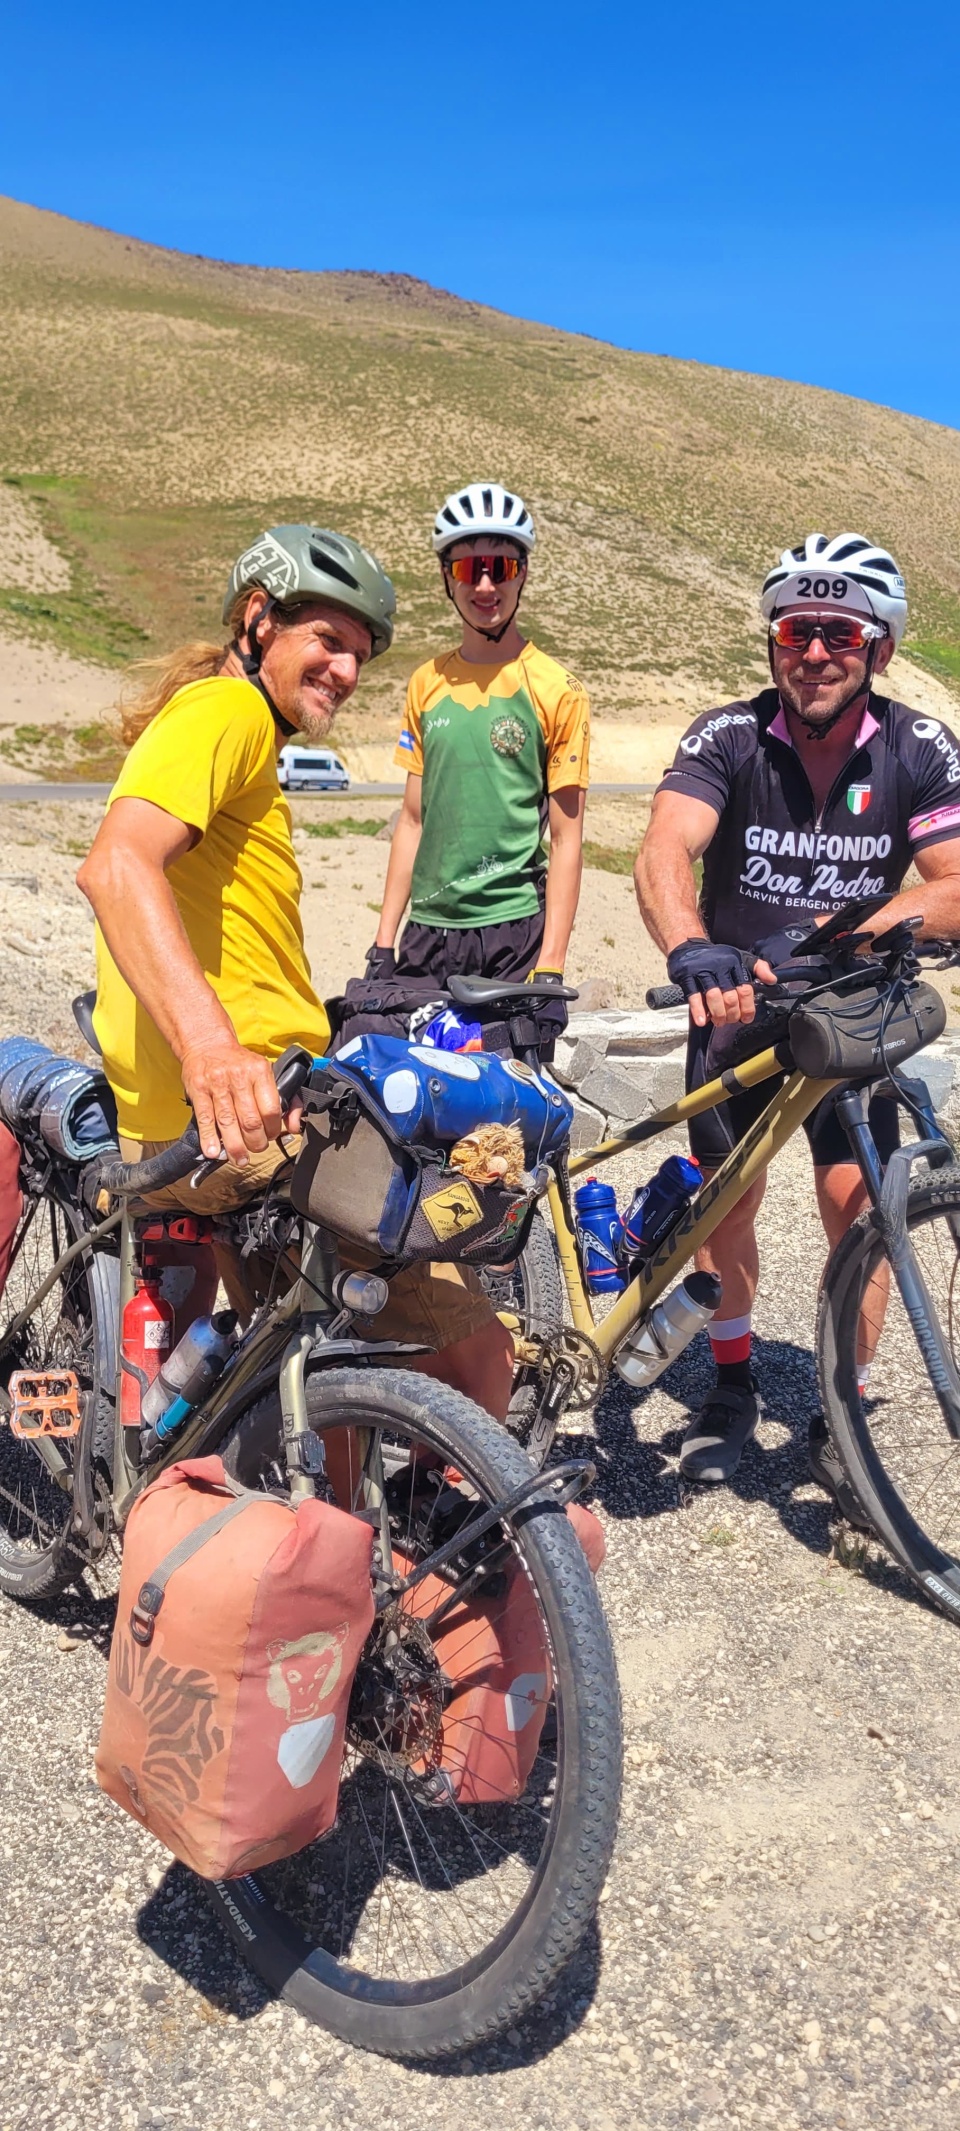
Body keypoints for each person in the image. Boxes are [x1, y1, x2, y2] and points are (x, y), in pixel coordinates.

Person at [75, 523, 514, 1420]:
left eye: (359, 656)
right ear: (257, 618)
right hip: (248, 1123)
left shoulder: (237, 737)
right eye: (328, 640)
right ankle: (444, 1511)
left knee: (307, 1367)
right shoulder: (225, 710)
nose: (345, 671)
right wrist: (210, 1048)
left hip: (231, 1120)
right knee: (480, 1359)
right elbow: (117, 866)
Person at [635, 532, 960, 1496]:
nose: (813, 652)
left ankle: (841, 1410)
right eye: (794, 631)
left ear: (879, 649)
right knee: (726, 1205)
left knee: (860, 1208)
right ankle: (732, 1379)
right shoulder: (727, 735)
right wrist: (692, 948)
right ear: (774, 643)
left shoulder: (918, 746)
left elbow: (955, 885)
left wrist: (836, 932)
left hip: (854, 1015)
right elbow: (664, 848)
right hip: (737, 1007)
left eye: (839, 633)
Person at [370, 483, 590, 1007]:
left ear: (523, 573)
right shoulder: (425, 682)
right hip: (426, 929)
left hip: (513, 930)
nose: (486, 584)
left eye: (501, 567)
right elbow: (412, 821)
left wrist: (551, 964)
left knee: (502, 1062)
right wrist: (383, 941)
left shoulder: (559, 689)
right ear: (447, 577)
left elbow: (567, 840)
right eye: (469, 569)